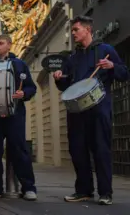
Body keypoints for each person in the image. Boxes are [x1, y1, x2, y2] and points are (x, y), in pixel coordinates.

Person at [53, 16, 129, 205]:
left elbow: (124, 73)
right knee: (77, 150)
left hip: (99, 109)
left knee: (101, 150)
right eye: (72, 30)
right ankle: (84, 190)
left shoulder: (106, 50)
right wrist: (58, 78)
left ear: (88, 30)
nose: (73, 33)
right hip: (77, 112)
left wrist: (112, 66)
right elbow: (65, 85)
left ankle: (105, 193)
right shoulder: (72, 58)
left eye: (76, 29)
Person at [0, 34, 37, 201]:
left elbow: (31, 87)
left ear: (9, 45)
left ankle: (28, 187)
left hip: (14, 114)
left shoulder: (19, 64)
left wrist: (23, 93)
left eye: (1, 43)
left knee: (19, 150)